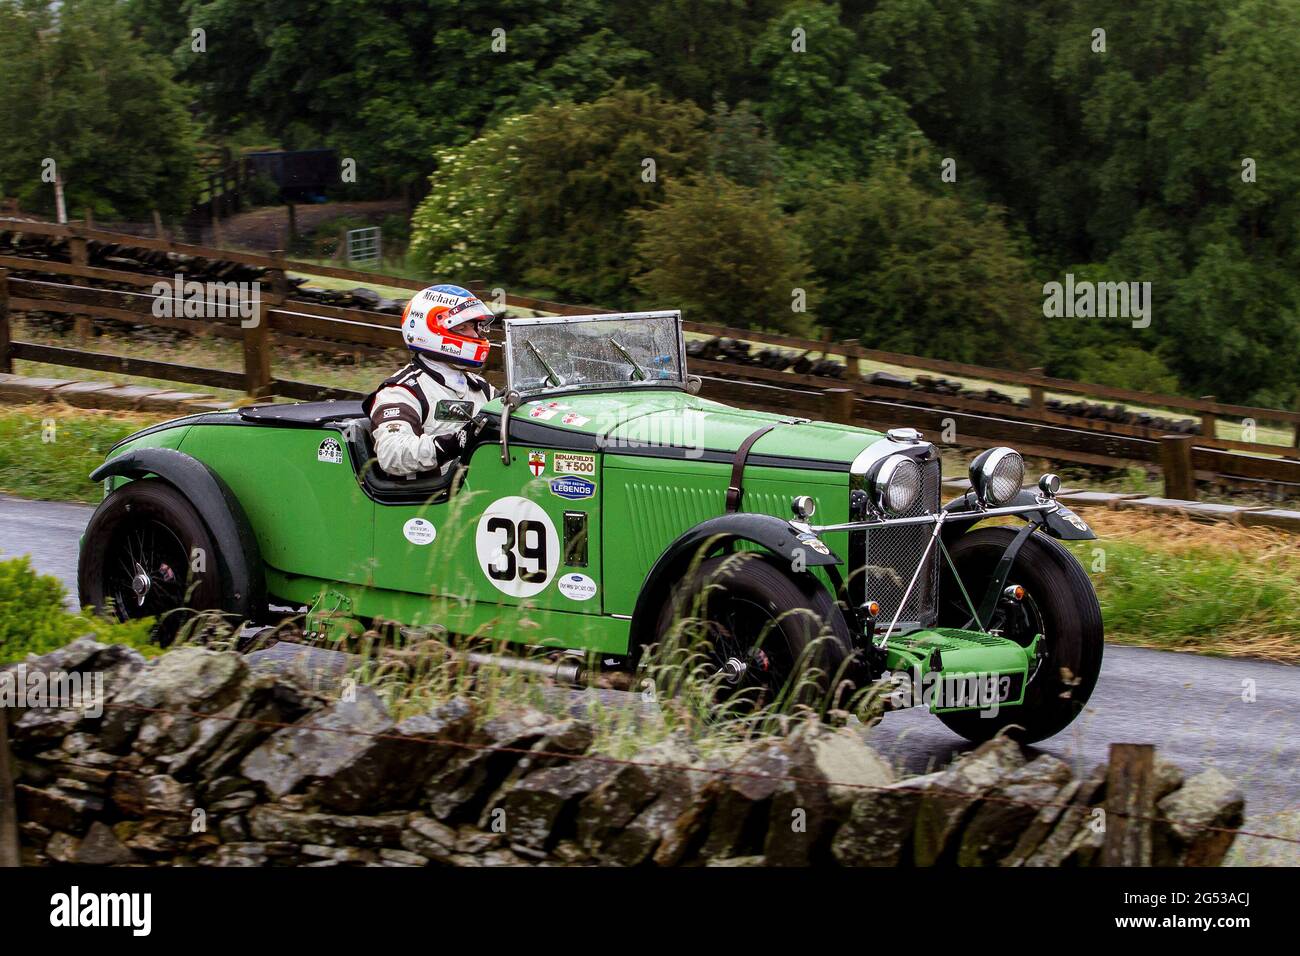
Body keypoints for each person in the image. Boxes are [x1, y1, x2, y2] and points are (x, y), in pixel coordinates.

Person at [362, 284, 496, 477]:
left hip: (480, 489)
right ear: (432, 330)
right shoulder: (401, 391)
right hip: (428, 499)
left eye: (475, 327)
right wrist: (454, 442)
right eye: (463, 327)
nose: (475, 335)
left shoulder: (481, 388)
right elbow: (391, 454)